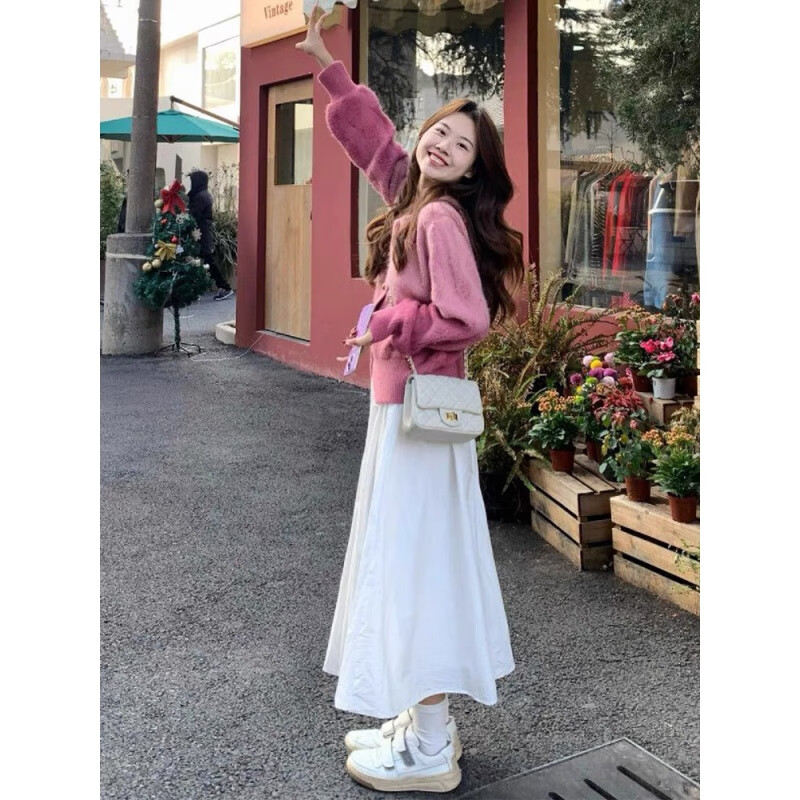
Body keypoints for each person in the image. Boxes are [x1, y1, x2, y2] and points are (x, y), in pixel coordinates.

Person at [297, 6, 525, 794]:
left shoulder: (437, 218)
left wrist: (391, 321)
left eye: (462, 147)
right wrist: (324, 59)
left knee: (414, 567)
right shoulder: (412, 196)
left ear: (471, 170)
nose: (443, 146)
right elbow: (374, 144)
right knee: (412, 562)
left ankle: (429, 748)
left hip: (418, 419)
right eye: (441, 132)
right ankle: (426, 727)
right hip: (405, 411)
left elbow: (468, 318)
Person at [187, 169, 234, 300]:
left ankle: (224, 286)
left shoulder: (200, 196)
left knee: (206, 259)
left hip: (200, 232)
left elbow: (193, 215)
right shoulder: (203, 194)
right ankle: (222, 286)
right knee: (205, 258)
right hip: (202, 232)